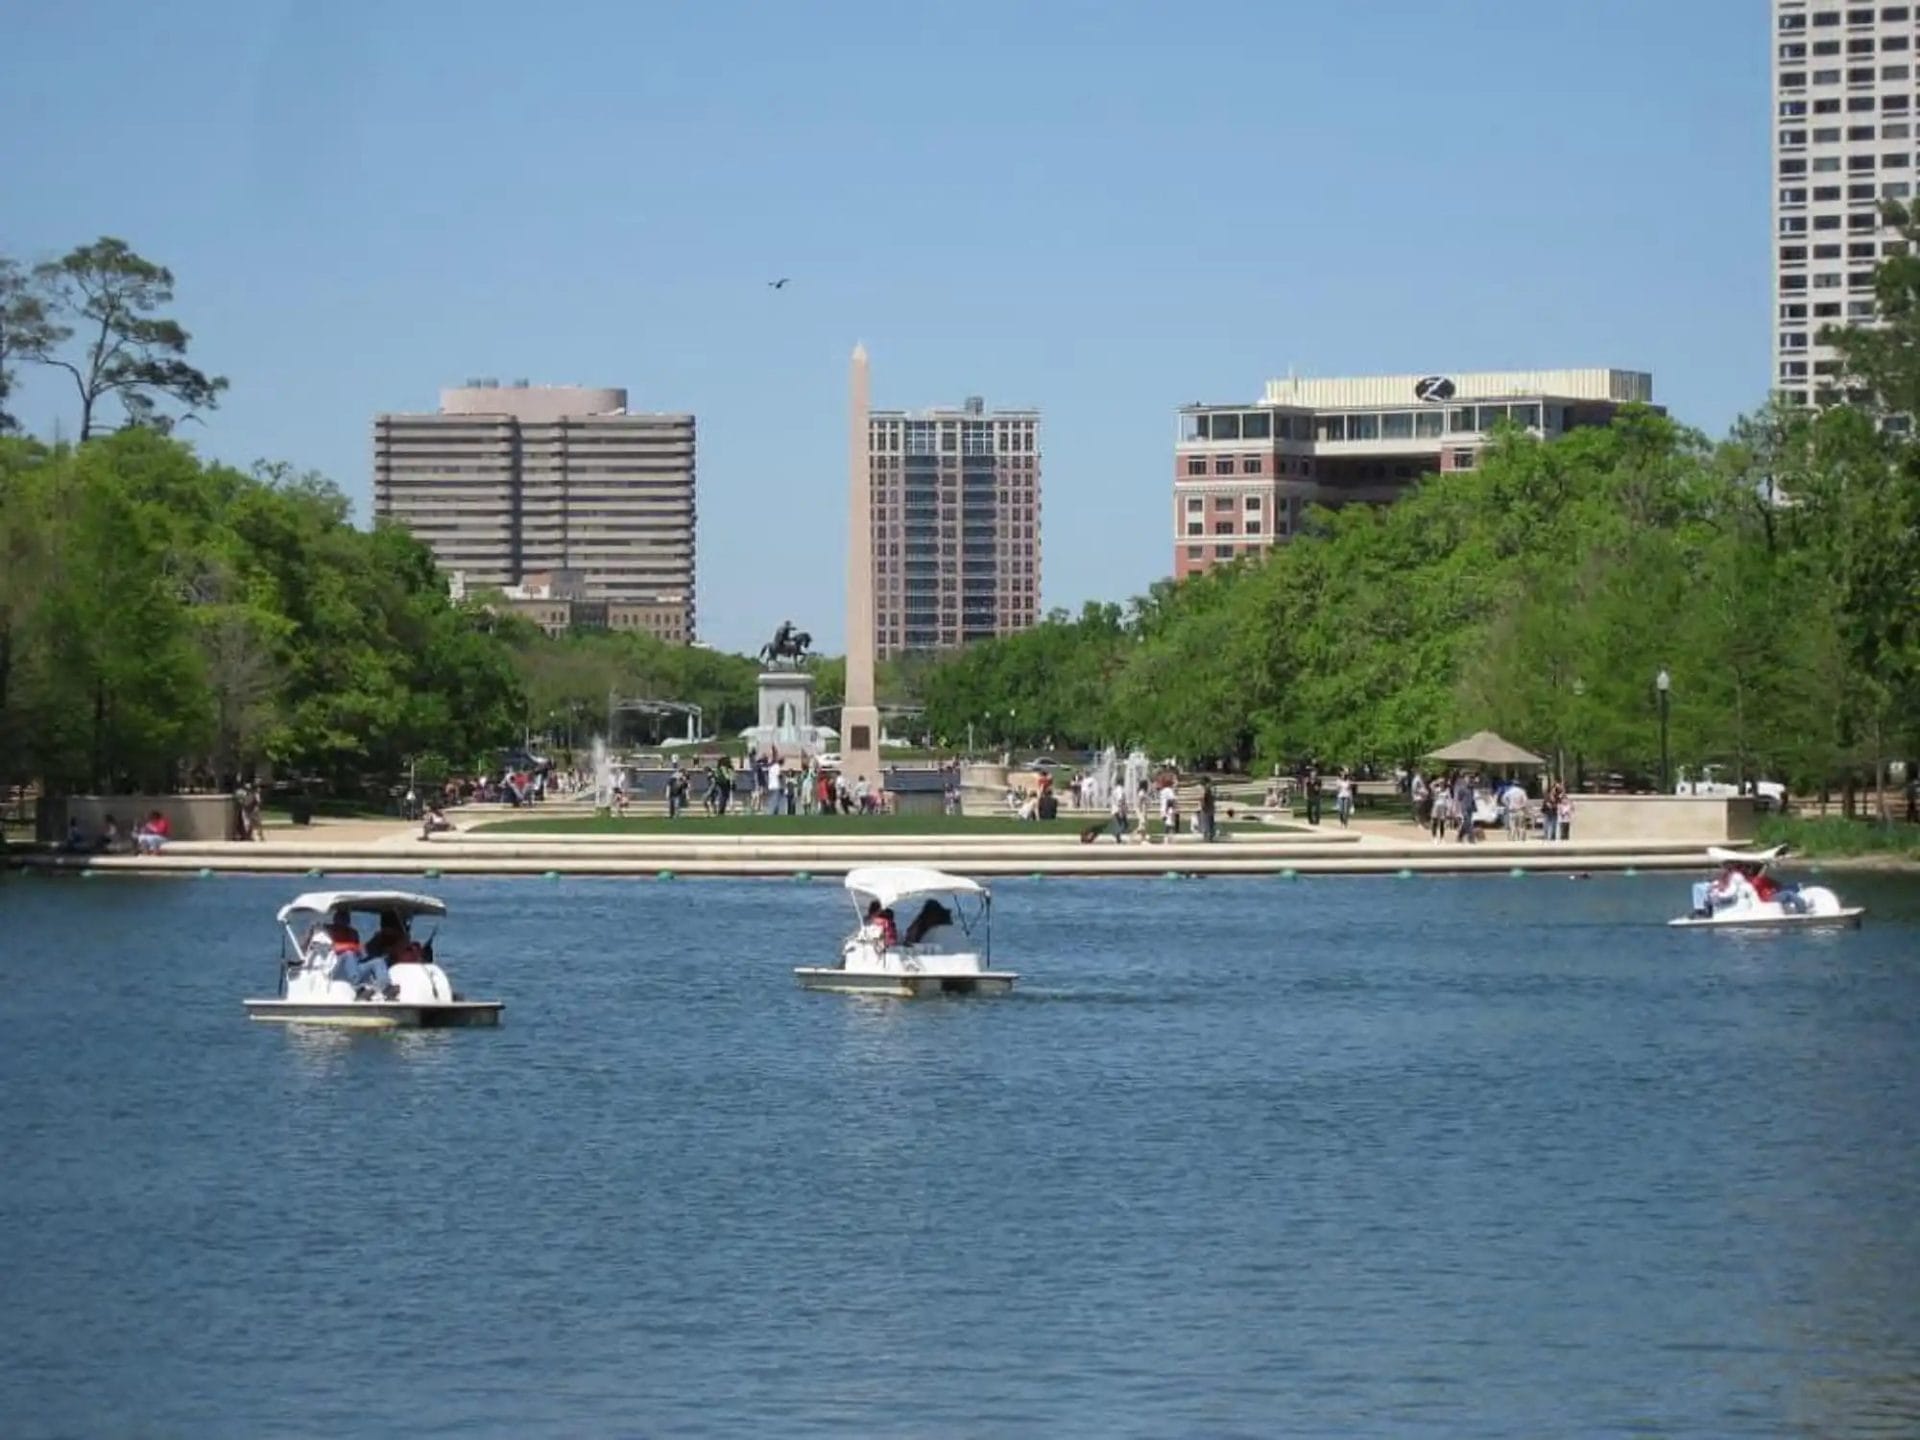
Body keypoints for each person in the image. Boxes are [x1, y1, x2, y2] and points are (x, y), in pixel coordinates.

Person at [1198, 777, 1216, 843]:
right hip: (1208, 809)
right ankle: (1209, 837)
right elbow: (1203, 799)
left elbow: (1202, 798)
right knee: (1208, 824)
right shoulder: (1207, 790)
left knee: (1207, 824)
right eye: (1209, 783)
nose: (1210, 784)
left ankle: (1208, 837)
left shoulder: (1207, 790)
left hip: (1208, 809)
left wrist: (1203, 806)